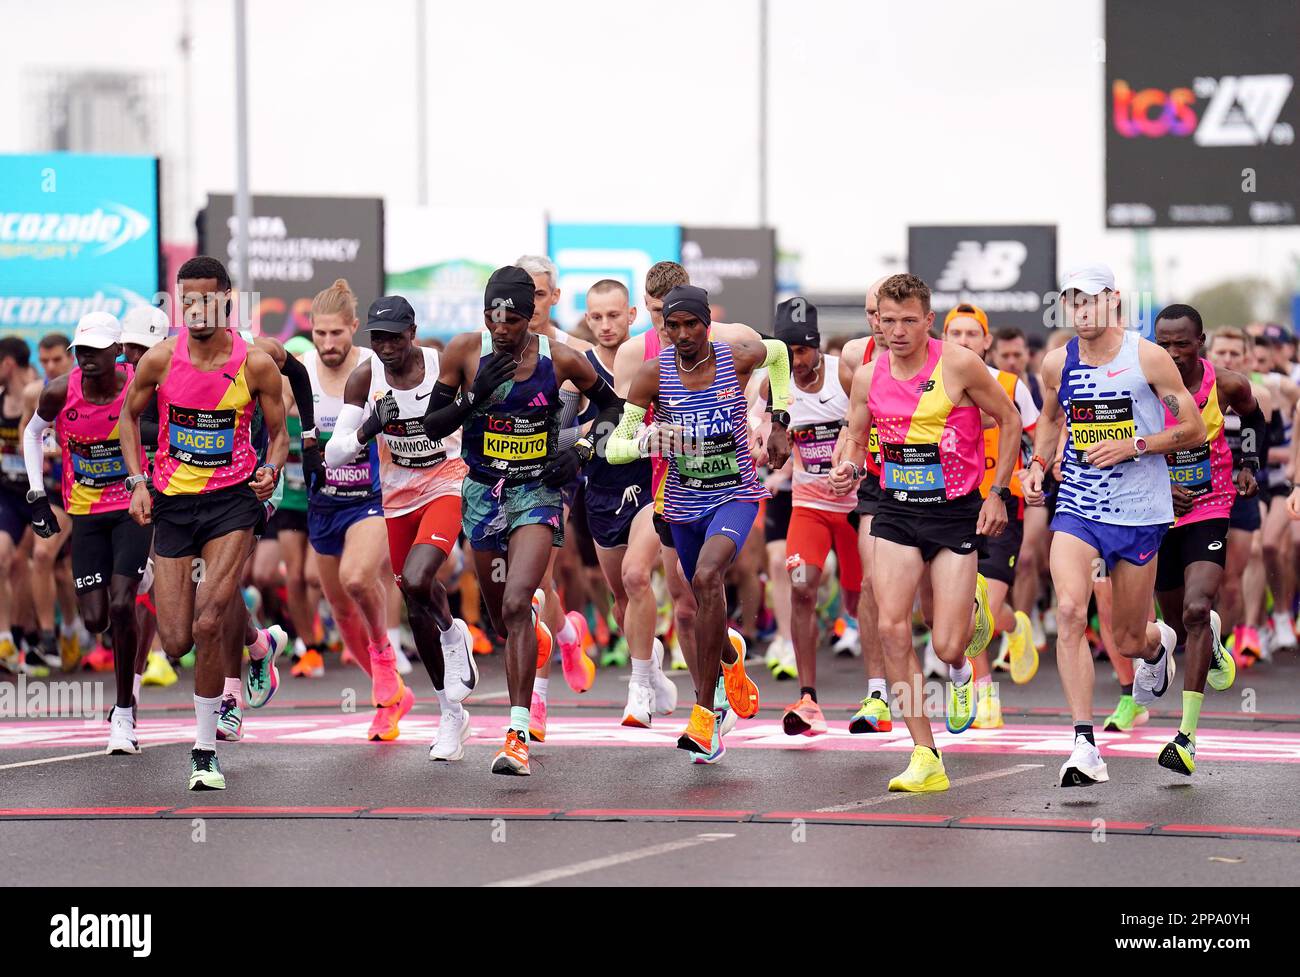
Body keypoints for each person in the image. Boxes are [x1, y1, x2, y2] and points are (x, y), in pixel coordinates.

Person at [421, 267, 624, 775]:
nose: (502, 327)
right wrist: (471, 399)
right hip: (483, 492)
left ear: (530, 316)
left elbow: (615, 408)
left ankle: (516, 735)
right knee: (503, 620)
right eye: (494, 316)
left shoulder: (561, 359)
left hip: (538, 491)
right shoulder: (465, 353)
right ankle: (538, 636)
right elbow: (429, 426)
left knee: (517, 602)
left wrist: (580, 449)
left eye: (512, 318)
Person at [831, 274, 1018, 793]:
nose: (896, 330)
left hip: (955, 513)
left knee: (948, 643)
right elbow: (855, 431)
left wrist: (998, 492)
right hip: (895, 510)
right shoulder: (868, 375)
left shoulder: (957, 363)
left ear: (927, 320)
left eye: (908, 320)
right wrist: (846, 465)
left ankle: (968, 636)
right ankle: (925, 753)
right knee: (892, 627)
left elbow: (1008, 416)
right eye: (886, 320)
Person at [1021, 262, 1204, 788]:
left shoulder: (1146, 357)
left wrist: (1136, 444)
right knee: (1072, 610)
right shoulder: (1059, 362)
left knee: (1125, 638)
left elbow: (1191, 427)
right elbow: (1053, 419)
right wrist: (1037, 464)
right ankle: (1084, 745)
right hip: (1078, 507)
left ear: (1113, 301)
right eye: (1072, 301)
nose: (1080, 311)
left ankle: (1157, 645)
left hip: (1141, 510)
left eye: (1090, 300)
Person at [119, 256, 288, 791]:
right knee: (174, 641)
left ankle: (204, 752)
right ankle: (261, 642)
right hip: (172, 502)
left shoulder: (255, 364)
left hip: (231, 503)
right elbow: (128, 418)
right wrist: (137, 481)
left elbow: (279, 433)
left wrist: (272, 468)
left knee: (209, 623)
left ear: (226, 302)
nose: (194, 309)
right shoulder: (161, 361)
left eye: (205, 299)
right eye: (185, 299)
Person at [608, 284, 791, 763]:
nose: (685, 334)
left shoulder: (738, 355)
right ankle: (730, 661)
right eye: (675, 326)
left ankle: (704, 718)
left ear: (708, 323)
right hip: (682, 501)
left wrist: (780, 420)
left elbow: (781, 354)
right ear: (663, 329)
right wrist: (654, 438)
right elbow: (616, 446)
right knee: (693, 595)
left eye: (693, 324)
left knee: (709, 577)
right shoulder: (651, 374)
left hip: (736, 493)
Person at [326, 294, 478, 750]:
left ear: (412, 333)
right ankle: (451, 715)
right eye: (378, 339)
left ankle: (454, 636)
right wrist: (370, 426)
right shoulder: (363, 378)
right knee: (414, 602)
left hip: (446, 483)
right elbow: (335, 455)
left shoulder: (439, 364)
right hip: (397, 498)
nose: (387, 347)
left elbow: (476, 403)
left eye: (395, 337)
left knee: (416, 578)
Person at [23, 313, 154, 753]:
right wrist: (38, 495)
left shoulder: (140, 385)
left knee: (121, 605)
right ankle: (141, 576)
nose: (89, 359)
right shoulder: (61, 391)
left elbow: (172, 423)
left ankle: (123, 715)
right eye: (83, 351)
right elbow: (32, 433)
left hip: (132, 507)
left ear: (118, 352)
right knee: (96, 618)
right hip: (86, 513)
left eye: (98, 350)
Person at [1150, 304, 1260, 774]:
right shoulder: (1142, 386)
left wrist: (1247, 463)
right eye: (1164, 344)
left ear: (1200, 342)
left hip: (1210, 505)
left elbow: (1254, 419)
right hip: (1156, 512)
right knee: (1177, 622)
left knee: (1198, 609)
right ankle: (1212, 645)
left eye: (1181, 344)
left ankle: (1186, 737)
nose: (1172, 353)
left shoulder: (1227, 384)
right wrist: (1158, 486)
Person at [579, 279, 677, 727]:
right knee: (622, 598)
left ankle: (638, 689)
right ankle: (651, 662)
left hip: (648, 482)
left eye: (613, 315)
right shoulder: (576, 367)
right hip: (599, 490)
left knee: (637, 576)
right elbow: (557, 430)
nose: (605, 325)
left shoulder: (647, 353)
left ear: (632, 315)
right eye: (595, 317)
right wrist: (581, 438)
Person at [942, 305, 1040, 729]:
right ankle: (987, 691)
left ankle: (1010, 632)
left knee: (980, 604)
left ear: (987, 343)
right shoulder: (932, 385)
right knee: (966, 607)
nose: (963, 341)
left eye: (971, 333)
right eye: (955, 333)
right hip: (951, 506)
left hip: (1000, 506)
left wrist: (1031, 470)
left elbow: (1036, 434)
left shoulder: (1009, 385)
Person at [768, 298, 861, 736]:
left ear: (816, 346)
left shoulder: (844, 371)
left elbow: (874, 426)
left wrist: (851, 460)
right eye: (786, 353)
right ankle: (809, 700)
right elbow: (763, 442)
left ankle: (879, 694)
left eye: (802, 351)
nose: (796, 362)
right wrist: (771, 458)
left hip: (858, 507)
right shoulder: (773, 384)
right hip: (810, 506)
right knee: (801, 587)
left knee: (863, 602)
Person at [834, 276, 894, 733]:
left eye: (889, 315)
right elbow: (854, 426)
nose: (880, 323)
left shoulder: (946, 361)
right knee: (872, 583)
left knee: (932, 609)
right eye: (873, 313)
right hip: (879, 481)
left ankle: (956, 669)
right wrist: (846, 467)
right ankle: (877, 694)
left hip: (936, 489)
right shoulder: (856, 358)